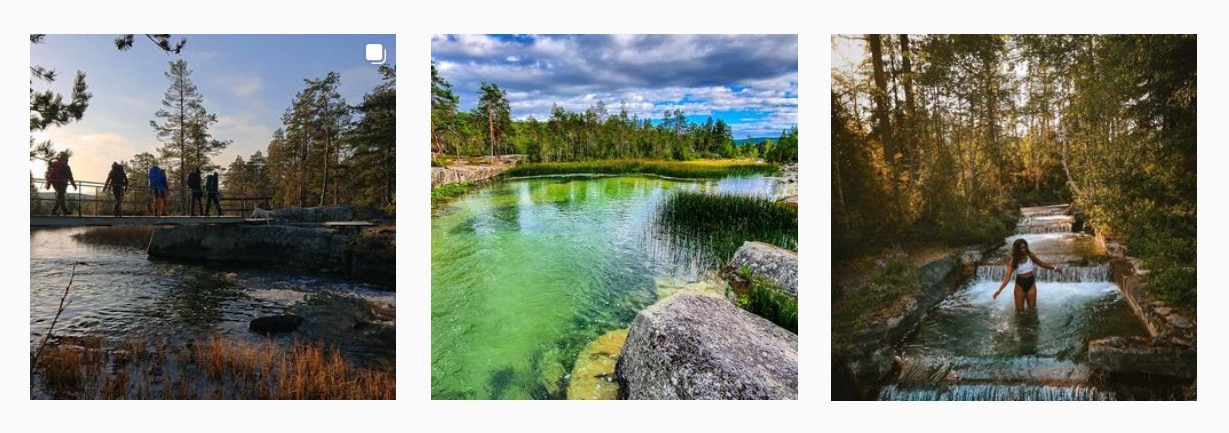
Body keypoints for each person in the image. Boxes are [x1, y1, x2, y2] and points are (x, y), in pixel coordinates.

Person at [993, 238, 1064, 311]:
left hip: (1031, 283)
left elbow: (1041, 264)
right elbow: (1007, 277)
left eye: (1024, 247)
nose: (1023, 250)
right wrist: (999, 290)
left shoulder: (1030, 255)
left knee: (1032, 309)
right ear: (1017, 249)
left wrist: (1054, 268)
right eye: (1021, 248)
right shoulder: (1013, 260)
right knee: (1019, 310)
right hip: (1020, 284)